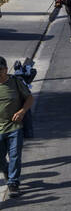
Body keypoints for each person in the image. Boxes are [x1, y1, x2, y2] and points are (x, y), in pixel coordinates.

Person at [0, 56, 33, 200]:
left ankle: (13, 183)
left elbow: (29, 98)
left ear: (6, 70)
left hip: (14, 127)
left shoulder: (15, 82)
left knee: (15, 155)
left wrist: (22, 111)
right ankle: (7, 172)